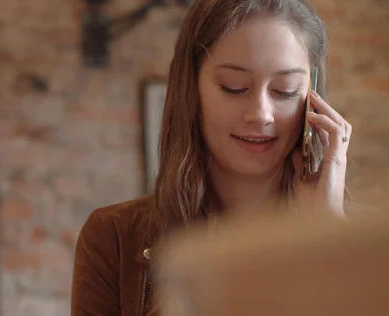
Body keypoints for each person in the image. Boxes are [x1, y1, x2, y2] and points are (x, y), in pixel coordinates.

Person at [71, 0, 353, 315]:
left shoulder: (367, 245)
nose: (260, 114)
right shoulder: (114, 237)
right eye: (234, 88)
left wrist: (329, 239)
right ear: (191, 89)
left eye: (285, 91)